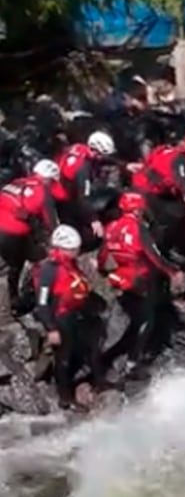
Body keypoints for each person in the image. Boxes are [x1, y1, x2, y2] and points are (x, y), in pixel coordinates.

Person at [98, 191, 185, 371]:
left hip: (120, 277)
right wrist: (172, 272)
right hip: (140, 279)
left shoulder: (111, 227)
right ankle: (132, 361)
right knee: (146, 320)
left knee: (135, 315)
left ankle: (111, 357)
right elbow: (153, 255)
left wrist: (102, 271)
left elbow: (102, 255)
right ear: (138, 210)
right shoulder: (139, 228)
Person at [33, 224, 104, 407]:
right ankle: (65, 398)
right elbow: (42, 302)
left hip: (74, 314)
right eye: (73, 249)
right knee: (63, 358)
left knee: (84, 350)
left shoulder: (70, 264)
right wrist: (51, 328)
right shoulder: (49, 269)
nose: (77, 252)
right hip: (60, 318)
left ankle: (95, 383)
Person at [130, 131, 185, 251]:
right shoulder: (180, 160)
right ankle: (160, 248)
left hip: (140, 187)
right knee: (177, 214)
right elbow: (178, 175)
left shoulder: (168, 150)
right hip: (147, 193)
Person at [0, 158, 60, 313]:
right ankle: (22, 298)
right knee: (37, 258)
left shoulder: (17, 182)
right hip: (12, 233)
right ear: (47, 178)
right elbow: (51, 222)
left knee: (15, 261)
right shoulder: (43, 191)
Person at [52, 130, 117, 245]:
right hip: (65, 201)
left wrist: (123, 165)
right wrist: (94, 220)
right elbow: (82, 198)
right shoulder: (82, 169)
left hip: (61, 190)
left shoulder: (79, 148)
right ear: (96, 152)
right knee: (91, 238)